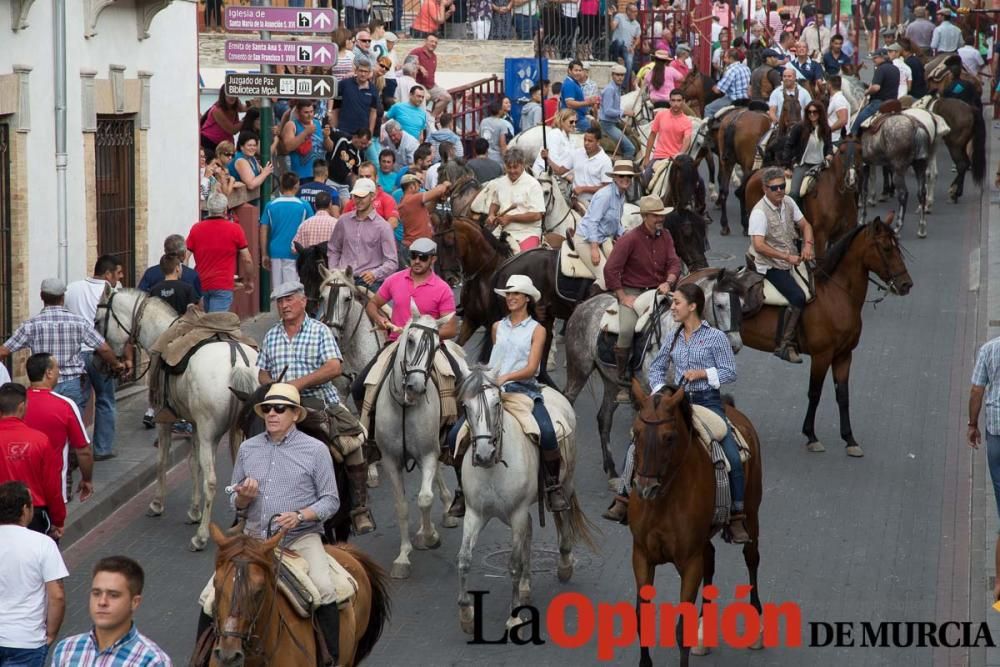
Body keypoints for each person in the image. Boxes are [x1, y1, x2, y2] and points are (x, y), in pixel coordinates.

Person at [608, 283, 749, 541]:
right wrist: (661, 391)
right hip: (675, 402)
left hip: (706, 402)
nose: (672, 307)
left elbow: (730, 371)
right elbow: (656, 368)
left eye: (677, 303)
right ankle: (624, 498)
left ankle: (737, 515)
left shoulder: (715, 337)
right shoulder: (673, 336)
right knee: (636, 442)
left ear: (692, 306)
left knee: (730, 452)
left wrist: (703, 373)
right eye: (673, 303)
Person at [255, 286, 374, 539]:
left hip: (319, 401)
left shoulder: (319, 331)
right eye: (279, 301)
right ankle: (247, 509)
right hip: (281, 404)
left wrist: (297, 384)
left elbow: (334, 367)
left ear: (303, 301)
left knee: (353, 440)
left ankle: (359, 507)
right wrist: (272, 385)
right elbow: (262, 371)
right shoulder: (272, 335)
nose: (284, 305)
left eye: (289, 299)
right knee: (252, 441)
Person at [445, 275, 569, 515]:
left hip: (524, 389)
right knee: (454, 435)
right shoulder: (496, 327)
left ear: (527, 299)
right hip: (493, 390)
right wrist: (490, 379)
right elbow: (497, 360)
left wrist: (506, 378)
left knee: (547, 431)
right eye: (508, 294)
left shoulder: (538, 330)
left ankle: (553, 487)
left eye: (515, 294)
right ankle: (461, 489)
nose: (510, 298)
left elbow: (533, 368)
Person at [0, 279, 123, 412]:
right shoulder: (78, 322)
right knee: (72, 423)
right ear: (63, 298)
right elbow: (103, 348)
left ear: (42, 296)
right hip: (72, 384)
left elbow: (4, 351)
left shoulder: (30, 325)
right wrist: (116, 364)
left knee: (47, 423)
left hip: (43, 385)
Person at [603, 195, 682, 401]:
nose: (660, 219)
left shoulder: (666, 236)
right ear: (645, 216)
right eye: (656, 216)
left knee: (684, 318)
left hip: (659, 291)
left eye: (662, 215)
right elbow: (611, 269)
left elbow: (674, 262)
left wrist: (670, 280)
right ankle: (623, 379)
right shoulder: (629, 239)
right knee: (628, 329)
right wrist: (622, 296)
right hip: (635, 293)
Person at [747, 166, 816, 363]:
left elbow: (806, 225)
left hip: (793, 258)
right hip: (769, 266)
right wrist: (786, 257)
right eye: (775, 188)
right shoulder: (759, 213)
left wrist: (808, 245)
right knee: (797, 296)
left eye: (782, 187)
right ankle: (784, 345)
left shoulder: (789, 202)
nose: (780, 191)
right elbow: (758, 245)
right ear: (765, 189)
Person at [51, 556, 169, 665]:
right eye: (96, 593)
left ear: (135, 602)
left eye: (113, 595)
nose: (102, 602)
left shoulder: (151, 661)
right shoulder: (67, 649)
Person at [0, 481, 67, 667]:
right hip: (26, 641)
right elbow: (57, 595)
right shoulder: (43, 544)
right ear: (24, 509)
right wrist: (51, 633)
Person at [65, 255, 123, 461]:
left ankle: (73, 446)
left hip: (75, 353)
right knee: (106, 400)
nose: (120, 277)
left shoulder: (72, 288)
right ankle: (102, 448)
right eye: (117, 273)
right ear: (107, 274)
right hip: (100, 353)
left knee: (78, 402)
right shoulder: (113, 293)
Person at [25, 353, 93, 506]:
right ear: (48, 373)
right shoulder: (65, 405)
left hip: (15, 493)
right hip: (52, 493)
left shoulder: (16, 403)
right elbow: (84, 450)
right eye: (56, 368)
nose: (59, 372)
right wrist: (87, 479)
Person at [0, 384, 66, 540]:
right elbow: (52, 485)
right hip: (33, 514)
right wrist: (58, 519)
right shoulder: (40, 440)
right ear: (22, 406)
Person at [969, 334, 1000, 601]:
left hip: (996, 434)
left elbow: (977, 390)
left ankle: (999, 584)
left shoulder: (989, 349)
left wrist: (972, 424)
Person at [186, 193, 255, 313]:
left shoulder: (196, 229)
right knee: (216, 325)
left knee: (203, 325)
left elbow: (185, 258)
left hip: (200, 284)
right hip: (222, 284)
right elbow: (247, 259)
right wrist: (249, 280)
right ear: (225, 209)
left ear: (208, 209)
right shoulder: (235, 229)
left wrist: (188, 281)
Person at [328, 178, 398, 290]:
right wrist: (334, 270)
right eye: (356, 197)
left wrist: (374, 274)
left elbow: (392, 262)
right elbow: (334, 249)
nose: (358, 200)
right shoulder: (343, 220)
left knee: (378, 306)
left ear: (372, 196)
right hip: (343, 279)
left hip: (369, 282)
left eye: (362, 197)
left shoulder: (383, 227)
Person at [575, 160, 634, 289]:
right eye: (621, 176)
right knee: (606, 277)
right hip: (586, 239)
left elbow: (616, 220)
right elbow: (593, 221)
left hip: (605, 239)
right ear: (614, 177)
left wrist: (624, 233)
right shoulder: (605, 195)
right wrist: (594, 248)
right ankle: (587, 305)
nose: (625, 179)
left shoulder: (621, 195)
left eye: (629, 176)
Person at [261, 172, 315, 287]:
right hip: (295, 252)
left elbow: (263, 229)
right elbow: (310, 228)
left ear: (281, 185)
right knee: (292, 289)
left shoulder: (270, 205)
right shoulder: (304, 205)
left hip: (275, 251)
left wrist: (264, 253)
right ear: (296, 185)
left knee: (277, 289)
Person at [486, 149, 546, 252]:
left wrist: (511, 218)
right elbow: (495, 203)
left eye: (515, 167)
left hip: (527, 233)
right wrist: (491, 214)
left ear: (522, 165)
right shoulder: (500, 183)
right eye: (509, 167)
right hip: (503, 231)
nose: (512, 171)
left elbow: (537, 215)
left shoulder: (533, 184)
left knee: (523, 262)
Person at [782, 100, 834, 202]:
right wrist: (787, 167)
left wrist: (829, 154)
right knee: (794, 193)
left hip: (821, 166)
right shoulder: (799, 128)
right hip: (803, 165)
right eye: (809, 112)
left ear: (820, 113)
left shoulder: (826, 129)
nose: (812, 114)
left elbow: (829, 146)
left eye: (815, 112)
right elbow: (789, 146)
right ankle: (794, 216)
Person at [642, 89, 693, 180]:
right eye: (673, 100)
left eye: (678, 100)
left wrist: (679, 155)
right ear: (669, 101)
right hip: (659, 157)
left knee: (693, 181)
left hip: (676, 159)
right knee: (645, 178)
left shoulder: (687, 121)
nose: (676, 103)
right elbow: (652, 135)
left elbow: (687, 139)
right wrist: (646, 158)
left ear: (683, 102)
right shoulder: (660, 115)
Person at [851, 49, 899, 136]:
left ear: (882, 57)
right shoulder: (895, 69)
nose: (873, 60)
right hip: (894, 102)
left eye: (875, 58)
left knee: (856, 123)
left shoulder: (880, 69)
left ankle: (853, 139)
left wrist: (867, 92)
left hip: (880, 103)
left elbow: (876, 88)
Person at [282, 100, 332, 184]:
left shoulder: (318, 123)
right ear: (298, 112)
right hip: (301, 175)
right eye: (306, 112)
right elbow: (288, 147)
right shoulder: (291, 125)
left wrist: (326, 137)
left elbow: (330, 148)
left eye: (311, 112)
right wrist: (305, 132)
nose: (310, 115)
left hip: (320, 175)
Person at [138, 235, 202, 297]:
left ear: (165, 251)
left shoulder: (150, 273)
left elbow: (140, 297)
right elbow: (198, 302)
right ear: (184, 254)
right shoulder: (192, 275)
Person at [333, 56, 381, 137]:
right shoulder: (345, 84)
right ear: (356, 71)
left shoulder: (373, 89)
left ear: (369, 73)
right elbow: (333, 99)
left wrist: (370, 133)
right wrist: (333, 124)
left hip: (362, 133)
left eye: (366, 72)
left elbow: (373, 113)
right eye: (361, 71)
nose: (363, 74)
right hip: (344, 130)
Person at [398, 173, 450, 247]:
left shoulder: (407, 202)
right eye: (418, 185)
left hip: (417, 243)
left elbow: (429, 209)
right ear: (412, 186)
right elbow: (439, 190)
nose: (419, 188)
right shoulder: (412, 199)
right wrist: (445, 184)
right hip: (417, 244)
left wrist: (437, 199)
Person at [407, 35, 452, 118]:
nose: (433, 44)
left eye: (436, 42)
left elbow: (432, 73)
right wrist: (419, 67)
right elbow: (407, 65)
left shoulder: (434, 56)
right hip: (418, 84)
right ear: (425, 41)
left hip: (431, 86)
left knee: (447, 97)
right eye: (431, 41)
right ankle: (421, 120)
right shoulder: (417, 52)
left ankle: (432, 118)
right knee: (424, 98)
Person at [566, 126, 613, 205]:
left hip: (594, 202)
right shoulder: (577, 153)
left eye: (590, 141)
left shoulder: (605, 161)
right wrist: (547, 159)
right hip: (574, 200)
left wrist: (583, 189)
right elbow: (561, 170)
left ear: (598, 142)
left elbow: (607, 188)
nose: (586, 143)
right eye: (585, 140)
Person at [598, 64, 636, 160]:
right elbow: (607, 111)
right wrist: (624, 112)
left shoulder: (617, 88)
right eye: (617, 75)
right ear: (612, 75)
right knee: (630, 148)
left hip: (615, 122)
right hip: (607, 125)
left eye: (622, 75)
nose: (620, 78)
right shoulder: (610, 89)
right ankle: (624, 169)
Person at [327, 127, 372, 206]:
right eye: (362, 143)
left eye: (365, 144)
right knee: (333, 205)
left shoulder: (360, 154)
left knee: (347, 207)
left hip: (343, 185)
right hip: (330, 180)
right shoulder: (343, 140)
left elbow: (356, 174)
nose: (363, 146)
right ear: (355, 137)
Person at [228, 131, 273, 206]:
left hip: (251, 200)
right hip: (240, 203)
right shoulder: (241, 160)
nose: (253, 148)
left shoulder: (251, 157)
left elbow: (260, 173)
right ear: (241, 146)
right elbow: (251, 185)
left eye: (254, 145)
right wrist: (265, 173)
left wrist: (263, 172)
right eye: (249, 145)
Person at [705, 48, 753, 118]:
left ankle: (708, 128)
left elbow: (718, 91)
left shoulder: (731, 71)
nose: (724, 60)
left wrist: (711, 85)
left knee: (708, 108)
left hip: (734, 100)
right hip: (746, 99)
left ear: (731, 58)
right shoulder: (746, 68)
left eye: (725, 58)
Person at [199, 88, 244, 158]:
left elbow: (244, 108)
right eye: (228, 94)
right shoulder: (217, 110)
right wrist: (247, 119)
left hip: (224, 144)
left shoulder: (235, 105)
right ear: (223, 95)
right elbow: (232, 130)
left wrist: (255, 103)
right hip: (209, 142)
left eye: (234, 94)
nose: (231, 97)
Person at [532, 109, 576, 177]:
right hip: (545, 174)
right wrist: (567, 176)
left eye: (576, 122)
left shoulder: (572, 139)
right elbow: (553, 160)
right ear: (562, 121)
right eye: (571, 122)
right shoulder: (555, 134)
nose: (574, 124)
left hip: (560, 174)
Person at [561, 59, 599, 132]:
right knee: (593, 135)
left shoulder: (574, 83)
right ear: (569, 70)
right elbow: (569, 103)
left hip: (579, 118)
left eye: (580, 70)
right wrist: (587, 102)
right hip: (575, 120)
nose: (578, 73)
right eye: (576, 70)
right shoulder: (569, 84)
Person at [610, 4, 642, 87]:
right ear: (628, 11)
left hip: (627, 49)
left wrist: (633, 46)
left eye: (636, 11)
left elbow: (638, 38)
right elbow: (613, 27)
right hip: (616, 46)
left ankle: (623, 86)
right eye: (634, 11)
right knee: (620, 41)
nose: (636, 13)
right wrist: (611, 16)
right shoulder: (619, 16)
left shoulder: (637, 24)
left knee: (630, 62)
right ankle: (616, 59)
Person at [825, 75, 850, 139]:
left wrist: (829, 130)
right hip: (832, 138)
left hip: (836, 139)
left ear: (829, 85)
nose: (825, 86)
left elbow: (843, 120)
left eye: (826, 84)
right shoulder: (835, 98)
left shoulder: (839, 99)